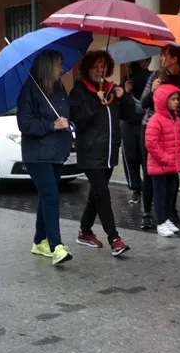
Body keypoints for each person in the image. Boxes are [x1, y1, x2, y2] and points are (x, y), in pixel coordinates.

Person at [70, 50, 131, 256]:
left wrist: (124, 97)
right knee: (103, 195)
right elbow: (78, 120)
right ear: (87, 68)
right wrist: (95, 102)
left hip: (109, 153)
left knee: (96, 195)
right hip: (90, 153)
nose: (99, 70)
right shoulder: (79, 91)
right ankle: (114, 239)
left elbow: (130, 115)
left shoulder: (111, 90)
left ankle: (85, 232)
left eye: (102, 66)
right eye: (95, 66)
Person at [16, 50, 73, 266]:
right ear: (47, 67)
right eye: (58, 65)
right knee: (51, 197)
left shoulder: (58, 88)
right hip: (37, 154)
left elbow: (65, 112)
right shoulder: (30, 89)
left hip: (56, 152)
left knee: (46, 196)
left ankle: (39, 241)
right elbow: (25, 124)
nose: (61, 69)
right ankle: (56, 246)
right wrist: (51, 125)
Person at [139, 46, 180, 230]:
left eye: (164, 55)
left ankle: (169, 212)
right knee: (150, 172)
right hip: (151, 125)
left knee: (172, 172)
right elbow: (143, 103)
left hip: (173, 131)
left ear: (174, 59)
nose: (161, 58)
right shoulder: (156, 76)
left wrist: (178, 121)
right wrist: (153, 90)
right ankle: (147, 213)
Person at [144, 85, 180, 237]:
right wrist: (165, 158)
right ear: (163, 101)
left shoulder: (176, 119)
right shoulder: (155, 120)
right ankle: (161, 222)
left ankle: (166, 219)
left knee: (170, 194)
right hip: (160, 166)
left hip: (172, 166)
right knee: (160, 195)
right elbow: (151, 143)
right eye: (173, 99)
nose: (176, 102)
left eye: (177, 99)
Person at [120, 59, 151, 205]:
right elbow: (120, 102)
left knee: (146, 158)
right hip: (127, 123)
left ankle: (148, 188)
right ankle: (135, 189)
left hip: (144, 123)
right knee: (130, 157)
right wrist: (126, 91)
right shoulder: (126, 79)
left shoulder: (150, 78)